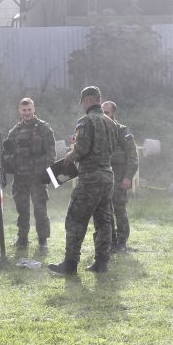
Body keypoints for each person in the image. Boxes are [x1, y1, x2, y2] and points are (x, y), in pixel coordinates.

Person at [48, 86, 118, 275]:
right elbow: (111, 148)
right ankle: (101, 263)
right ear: (99, 99)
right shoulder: (111, 123)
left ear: (86, 100)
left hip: (90, 178)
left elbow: (81, 149)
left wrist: (71, 153)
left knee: (75, 219)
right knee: (104, 221)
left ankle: (70, 264)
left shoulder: (85, 121)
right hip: (107, 176)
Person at [3, 97, 56, 255]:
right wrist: (12, 161)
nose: (27, 113)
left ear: (34, 109)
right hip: (20, 178)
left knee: (40, 210)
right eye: (24, 110)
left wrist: (42, 169)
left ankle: (43, 241)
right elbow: (7, 154)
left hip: (38, 177)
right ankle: (22, 239)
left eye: (29, 110)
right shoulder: (14, 132)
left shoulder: (44, 128)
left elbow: (51, 153)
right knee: (22, 210)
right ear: (19, 111)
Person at [102, 101, 139, 253]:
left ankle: (122, 242)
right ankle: (110, 241)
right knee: (105, 211)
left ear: (113, 113)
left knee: (119, 209)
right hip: (103, 178)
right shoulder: (98, 132)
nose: (104, 115)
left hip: (119, 178)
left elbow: (133, 157)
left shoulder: (122, 131)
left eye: (107, 113)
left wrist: (128, 177)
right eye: (102, 113)